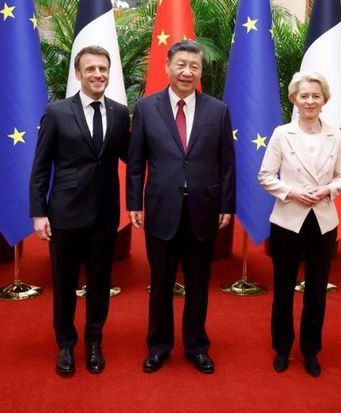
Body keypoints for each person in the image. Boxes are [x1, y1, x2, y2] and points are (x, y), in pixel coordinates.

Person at [126, 39, 235, 374]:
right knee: (160, 283)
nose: (187, 72)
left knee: (199, 284)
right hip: (161, 209)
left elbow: (227, 164)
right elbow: (136, 162)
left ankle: (196, 346)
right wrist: (134, 203)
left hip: (204, 209)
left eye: (194, 66)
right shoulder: (146, 108)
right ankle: (158, 346)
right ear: (167, 66)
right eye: (181, 65)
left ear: (200, 71)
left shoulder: (218, 110)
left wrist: (226, 205)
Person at [29, 46, 130, 376]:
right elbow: (40, 167)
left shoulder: (119, 113)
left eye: (103, 68)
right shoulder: (56, 112)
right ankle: (65, 344)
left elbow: (131, 156)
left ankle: (94, 342)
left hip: (104, 215)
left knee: (100, 284)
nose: (98, 74)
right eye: (91, 69)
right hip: (66, 215)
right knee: (65, 284)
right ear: (78, 73)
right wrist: (39, 213)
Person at [258, 72, 341, 377]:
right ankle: (282, 347)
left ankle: (311, 350)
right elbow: (265, 176)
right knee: (283, 287)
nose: (310, 101)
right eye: (304, 96)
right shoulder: (281, 134)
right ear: (294, 99)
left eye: (315, 96)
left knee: (316, 290)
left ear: (324, 100)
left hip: (323, 221)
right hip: (288, 220)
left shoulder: (336, 135)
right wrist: (291, 192)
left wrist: (327, 190)